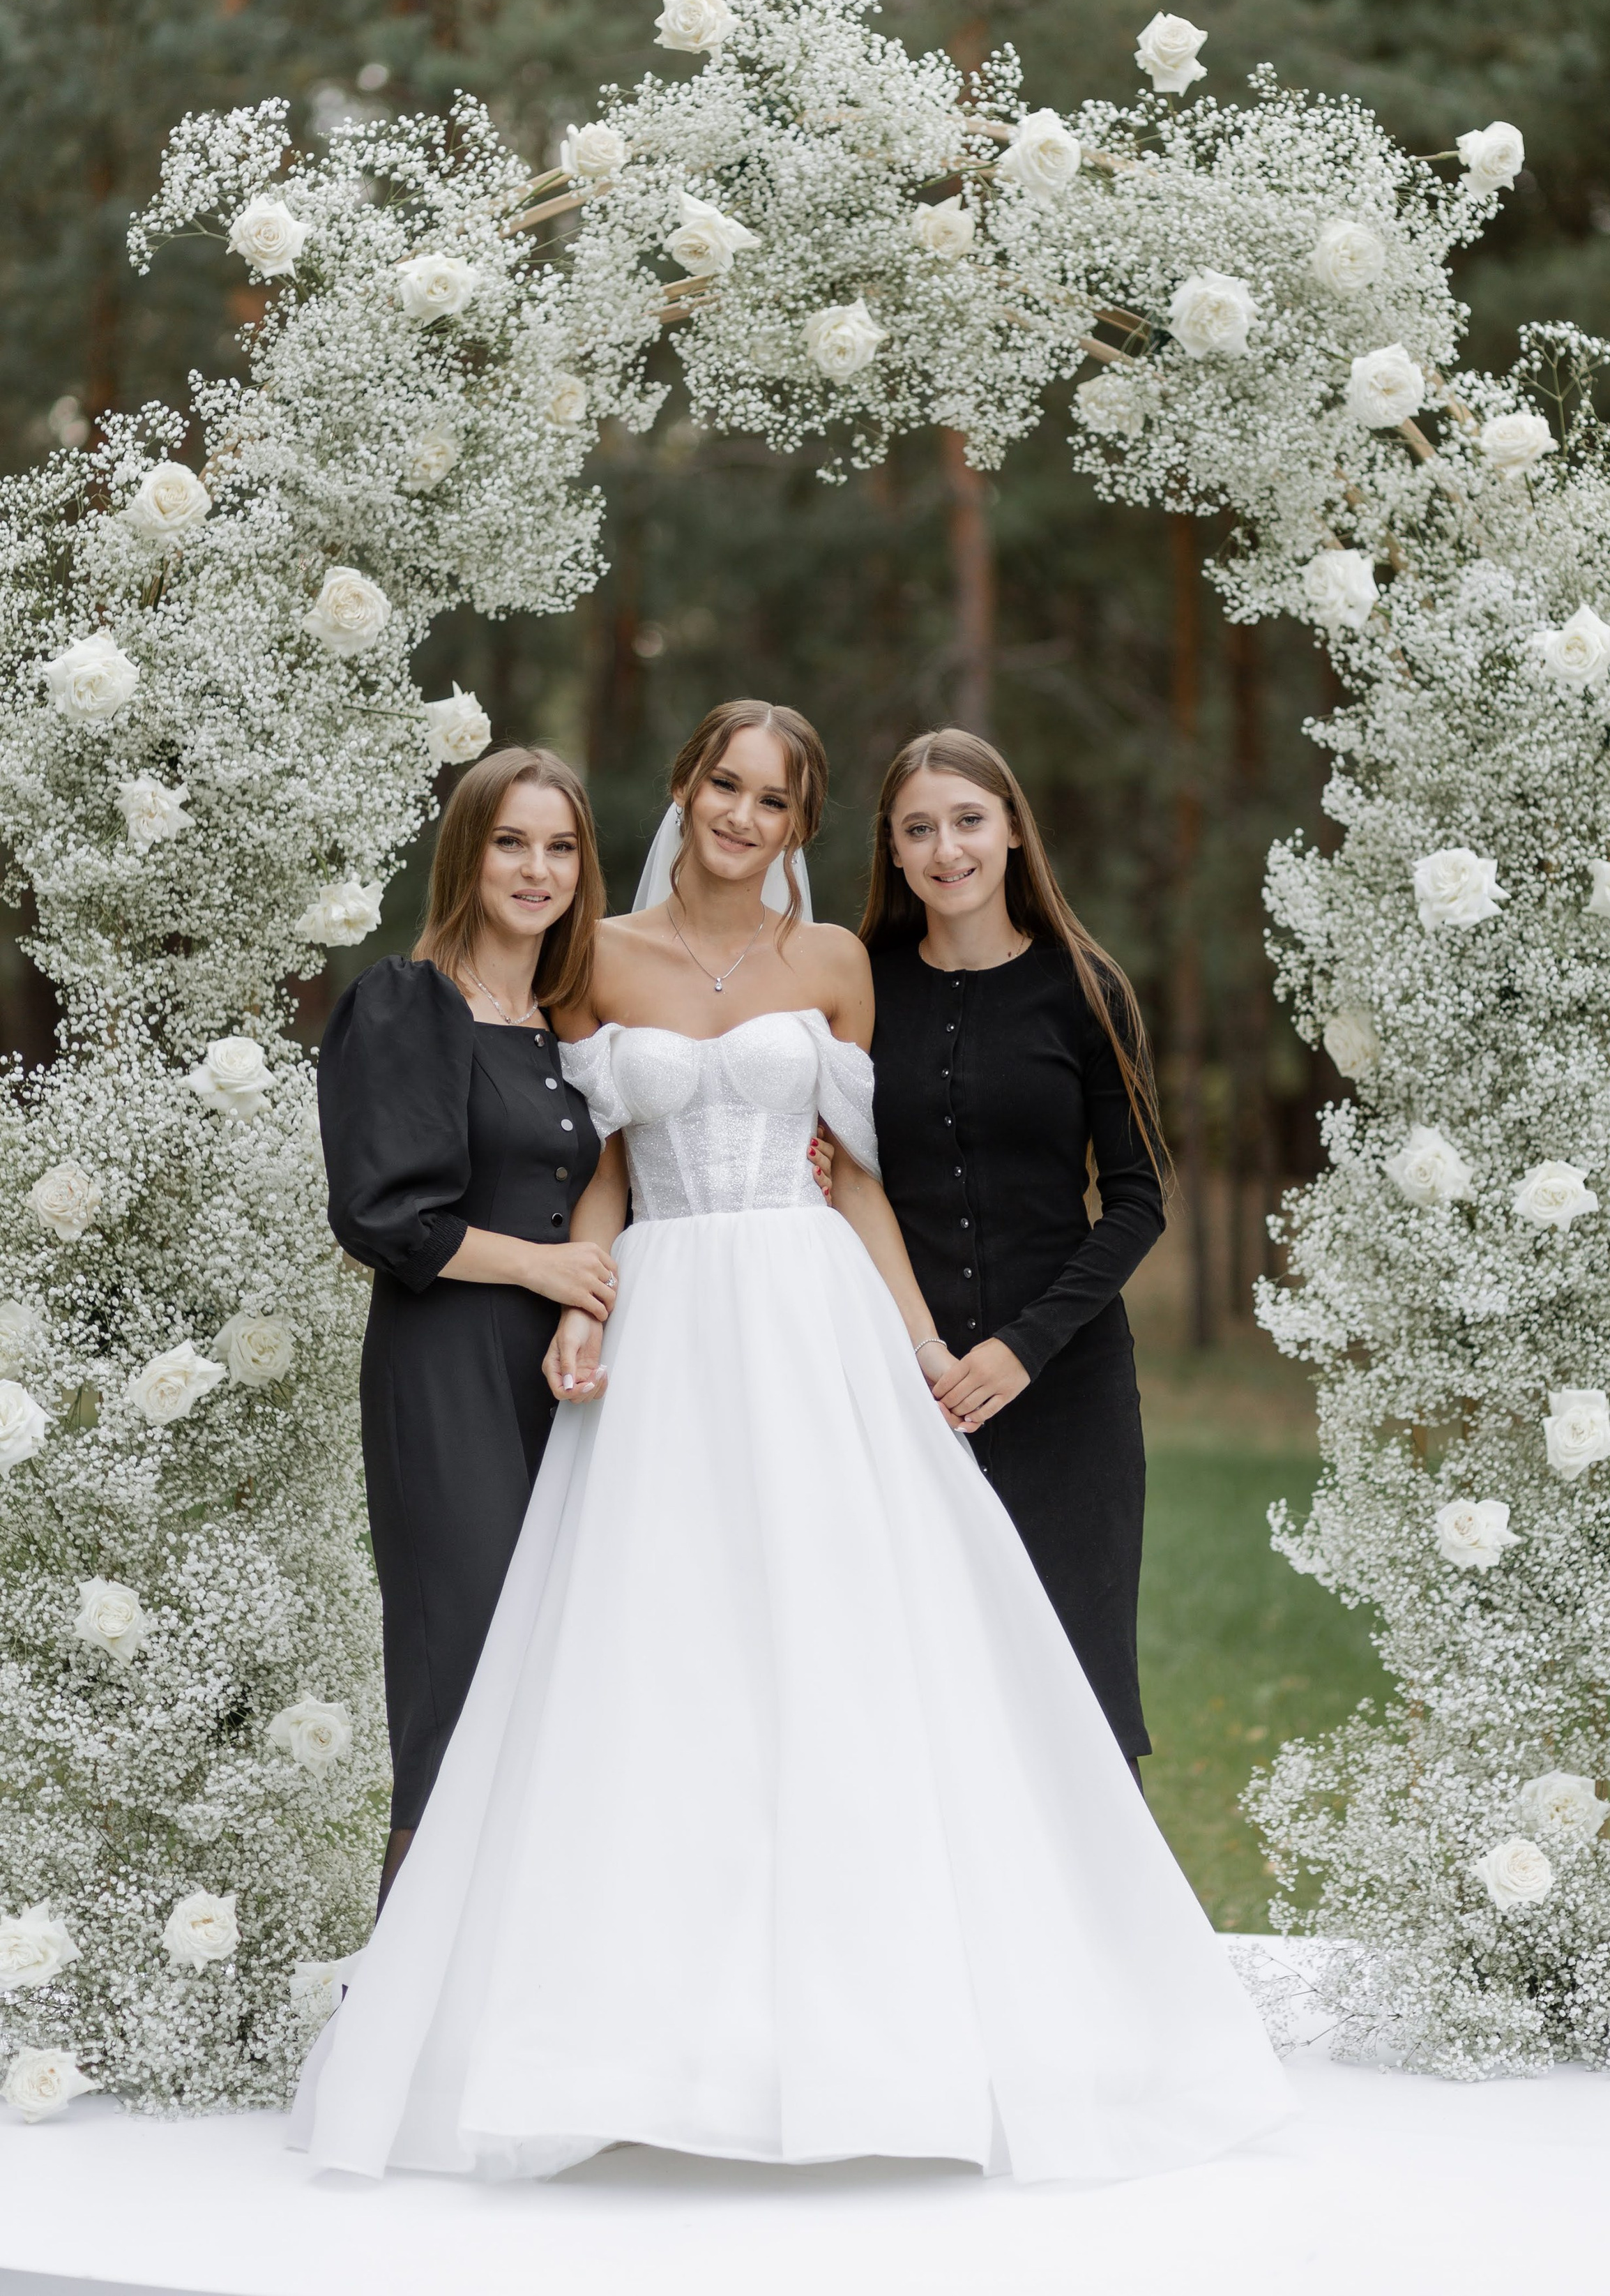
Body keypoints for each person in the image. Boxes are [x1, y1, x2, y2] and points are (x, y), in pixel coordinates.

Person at [294, 700, 1293, 2184]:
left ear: (802, 825)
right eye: (724, 786)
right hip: (667, 1316)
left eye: (773, 800)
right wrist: (582, 1300)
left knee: (847, 1643)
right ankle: (637, 2029)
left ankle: (873, 2019)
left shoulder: (832, 964)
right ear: (684, 789)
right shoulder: (596, 957)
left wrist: (922, 1346)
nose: (742, 817)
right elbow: (603, 1162)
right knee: (658, 1652)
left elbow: (858, 1177)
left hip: (806, 1307)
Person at [316, 748, 614, 1910]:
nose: (538, 869)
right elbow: (384, 1218)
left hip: (566, 1377)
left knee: (560, 1674)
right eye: (511, 842)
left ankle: (523, 1969)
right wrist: (548, 1267)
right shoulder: (410, 1001)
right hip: (447, 1367)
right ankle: (402, 1981)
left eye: (560, 846)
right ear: (468, 855)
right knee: (468, 1668)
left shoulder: (567, 1023)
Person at [861, 728, 1165, 1776]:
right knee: (922, 1692)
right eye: (919, 828)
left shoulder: (1087, 986)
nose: (946, 849)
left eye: (968, 820)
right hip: (905, 1387)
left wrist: (1023, 1348)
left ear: (1014, 830)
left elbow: (1137, 1200)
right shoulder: (861, 986)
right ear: (892, 849)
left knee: (1081, 1692)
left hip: (1066, 1390)